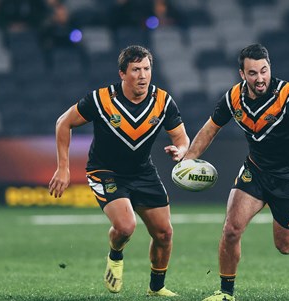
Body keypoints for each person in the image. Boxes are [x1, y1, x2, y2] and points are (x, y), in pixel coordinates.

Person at [183, 43, 289, 301]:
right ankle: (226, 293)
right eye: (252, 73)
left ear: (269, 68)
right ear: (242, 74)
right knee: (231, 229)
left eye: (264, 71)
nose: (260, 78)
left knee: (286, 245)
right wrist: (188, 160)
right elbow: (209, 129)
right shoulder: (232, 99)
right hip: (256, 171)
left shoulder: (287, 97)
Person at [48, 45, 189, 297]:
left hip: (143, 172)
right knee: (125, 227)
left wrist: (180, 151)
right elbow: (63, 122)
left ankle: (156, 288)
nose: (143, 75)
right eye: (136, 69)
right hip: (105, 171)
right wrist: (63, 168)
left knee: (164, 233)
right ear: (123, 74)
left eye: (147, 68)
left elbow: (182, 138)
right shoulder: (101, 99)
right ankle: (115, 256)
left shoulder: (163, 101)